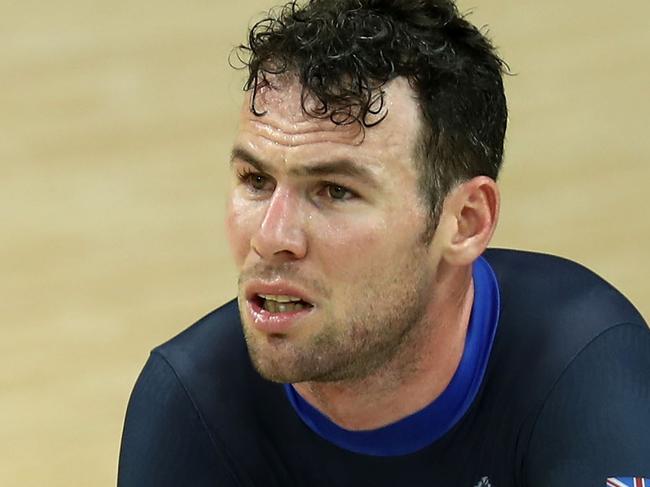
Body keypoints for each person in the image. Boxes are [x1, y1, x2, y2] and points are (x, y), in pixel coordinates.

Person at [118, 1, 650, 485]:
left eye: (334, 190)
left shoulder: (584, 365)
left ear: (464, 222)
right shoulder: (190, 405)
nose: (272, 237)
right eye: (256, 181)